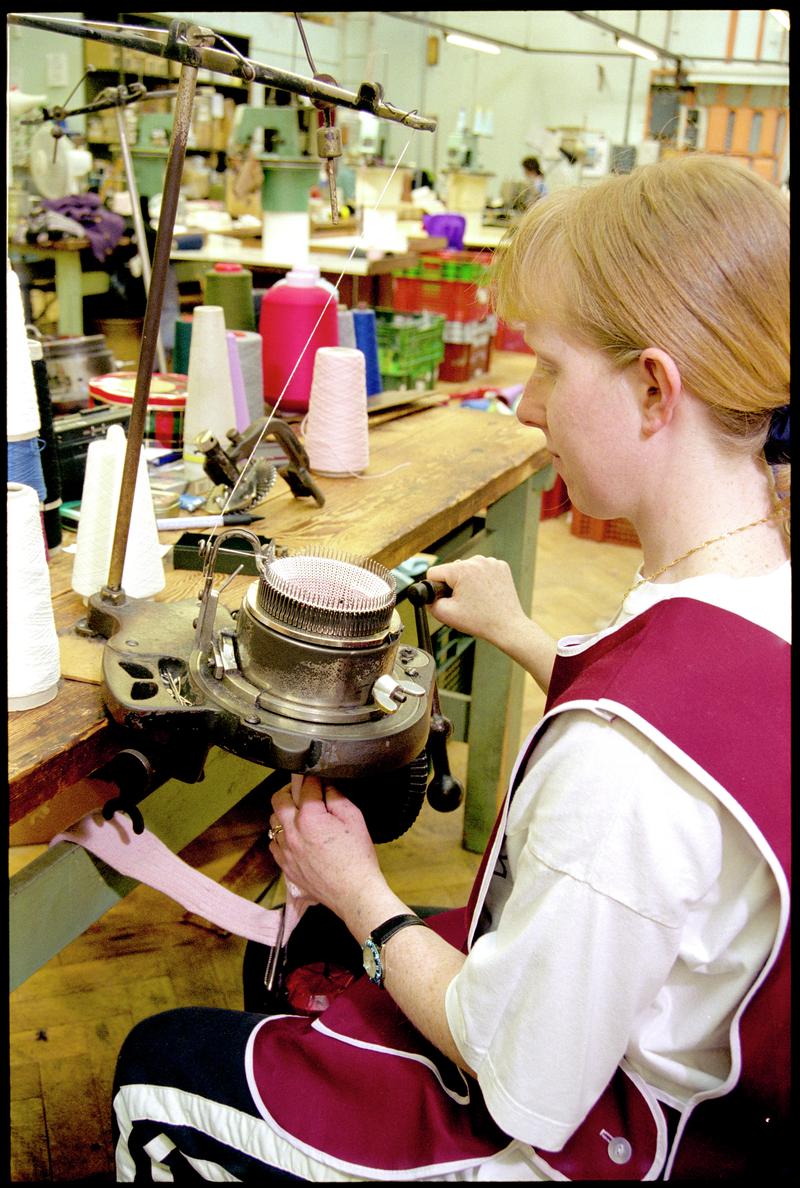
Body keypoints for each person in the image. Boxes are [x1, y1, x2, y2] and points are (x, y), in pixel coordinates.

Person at [111, 155, 790, 1180]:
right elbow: (698, 710)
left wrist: (356, 890)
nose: (524, 405)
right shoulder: (757, 595)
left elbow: (525, 1086)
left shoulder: (618, 770)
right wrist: (522, 634)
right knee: (329, 961)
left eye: (551, 368)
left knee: (155, 1066)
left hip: (600, 1143)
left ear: (654, 388)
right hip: (717, 1082)